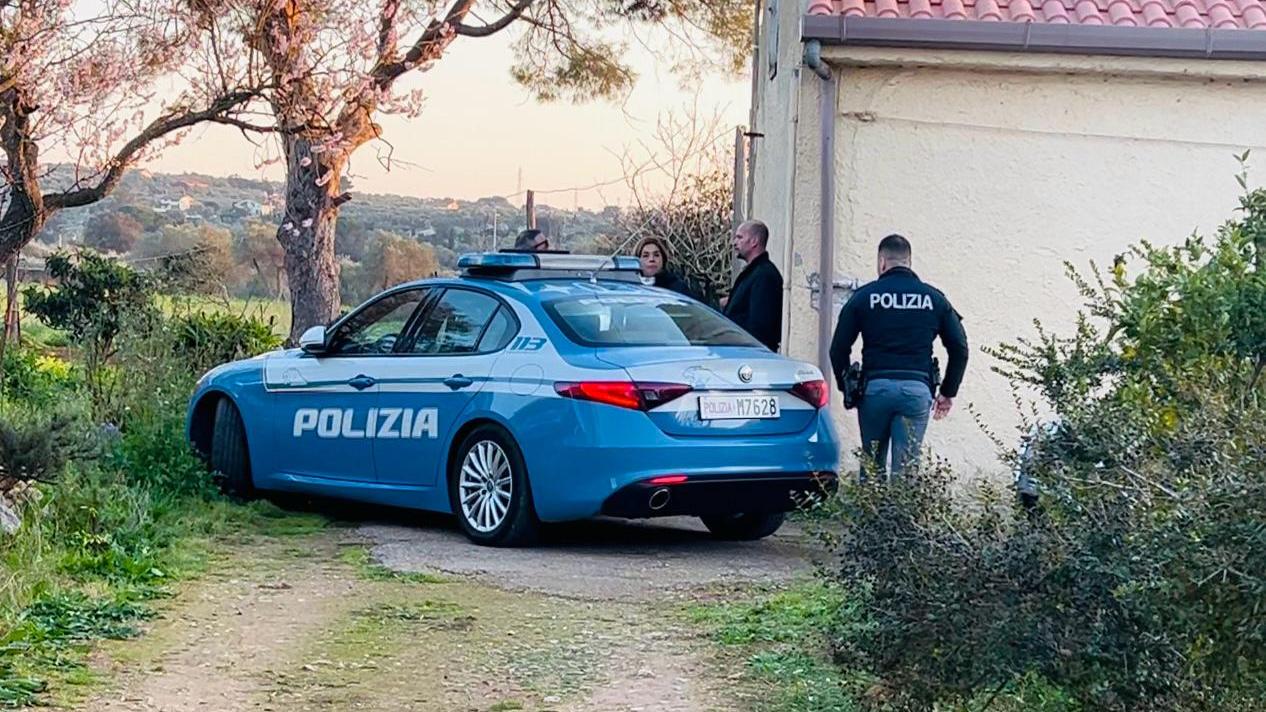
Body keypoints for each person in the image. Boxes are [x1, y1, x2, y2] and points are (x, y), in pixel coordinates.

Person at [829, 233, 969, 478]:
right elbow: (959, 347)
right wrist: (948, 392)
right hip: (916, 391)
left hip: (875, 391)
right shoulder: (934, 299)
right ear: (909, 261)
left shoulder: (864, 297)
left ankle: (870, 516)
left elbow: (838, 348)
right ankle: (901, 517)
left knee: (872, 466)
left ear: (882, 262)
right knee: (906, 470)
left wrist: (847, 387)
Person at [723, 219, 783, 351]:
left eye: (740, 237)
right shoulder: (754, 273)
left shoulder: (764, 276)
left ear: (754, 241)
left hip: (751, 356)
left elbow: (760, 325)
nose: (734, 243)